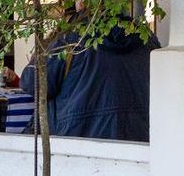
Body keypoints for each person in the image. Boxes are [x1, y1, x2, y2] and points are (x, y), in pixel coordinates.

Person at [21, 12, 157, 142]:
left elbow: (31, 83)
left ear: (82, 4)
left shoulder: (71, 39)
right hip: (140, 141)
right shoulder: (146, 37)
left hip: (76, 142)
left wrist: (43, 50)